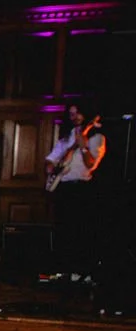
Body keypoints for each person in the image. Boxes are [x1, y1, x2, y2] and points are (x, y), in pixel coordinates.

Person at [44, 101, 105, 280]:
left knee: (81, 231)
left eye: (78, 113)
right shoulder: (65, 138)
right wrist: (51, 166)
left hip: (82, 189)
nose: (75, 117)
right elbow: (51, 160)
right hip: (64, 188)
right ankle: (64, 270)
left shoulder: (96, 137)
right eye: (71, 114)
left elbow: (91, 164)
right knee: (64, 230)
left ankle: (82, 272)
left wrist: (84, 146)